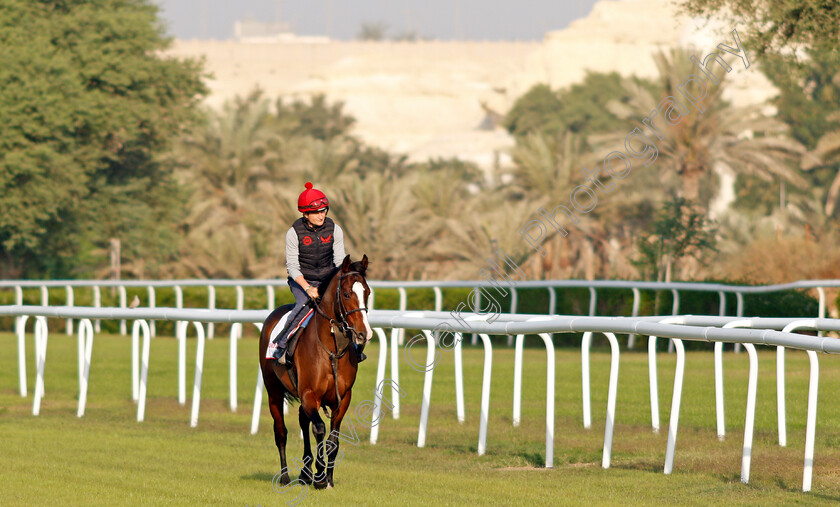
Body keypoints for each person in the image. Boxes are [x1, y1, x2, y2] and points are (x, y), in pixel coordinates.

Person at [271, 182, 356, 365]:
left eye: (324, 210)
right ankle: (282, 345)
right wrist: (308, 288)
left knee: (348, 304)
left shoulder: (335, 229)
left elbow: (340, 261)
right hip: (302, 280)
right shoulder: (293, 233)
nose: (322, 215)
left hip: (327, 279)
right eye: (316, 212)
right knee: (303, 305)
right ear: (305, 213)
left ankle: (356, 348)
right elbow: (292, 267)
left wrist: (340, 282)